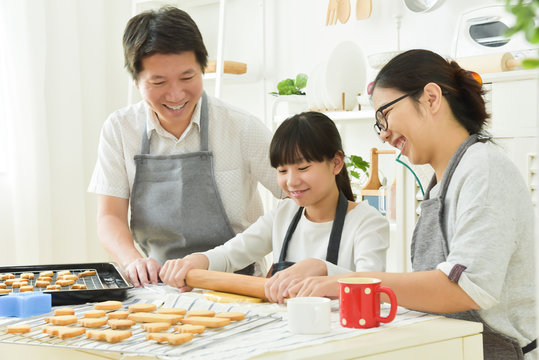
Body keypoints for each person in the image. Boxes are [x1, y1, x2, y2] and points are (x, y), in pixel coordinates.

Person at [288, 50, 536, 359]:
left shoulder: (484, 168)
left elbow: (463, 287)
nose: (384, 135)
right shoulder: (442, 183)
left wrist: (349, 282)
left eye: (385, 115)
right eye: (378, 124)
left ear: (431, 98)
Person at [87, 6, 281, 287]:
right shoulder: (119, 129)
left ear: (203, 69)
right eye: (158, 82)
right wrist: (132, 261)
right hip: (158, 287)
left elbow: (299, 198)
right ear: (136, 80)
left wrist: (288, 257)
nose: (176, 94)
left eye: (188, 78)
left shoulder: (241, 127)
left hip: (237, 285)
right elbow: (109, 216)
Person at [159, 112, 389, 303]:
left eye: (303, 168)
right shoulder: (284, 214)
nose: (291, 181)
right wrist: (191, 263)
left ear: (336, 163)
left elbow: (373, 285)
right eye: (282, 171)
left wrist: (320, 268)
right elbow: (230, 255)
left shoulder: (367, 221)